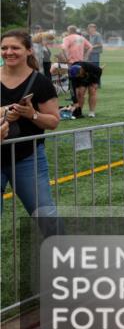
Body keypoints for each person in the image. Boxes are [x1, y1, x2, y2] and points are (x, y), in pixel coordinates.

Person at [1, 30, 61, 229]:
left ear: (28, 51)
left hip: (27, 158)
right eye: (4, 48)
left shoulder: (40, 82)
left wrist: (31, 114)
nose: (9, 52)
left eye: (15, 48)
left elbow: (53, 121)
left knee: (46, 217)